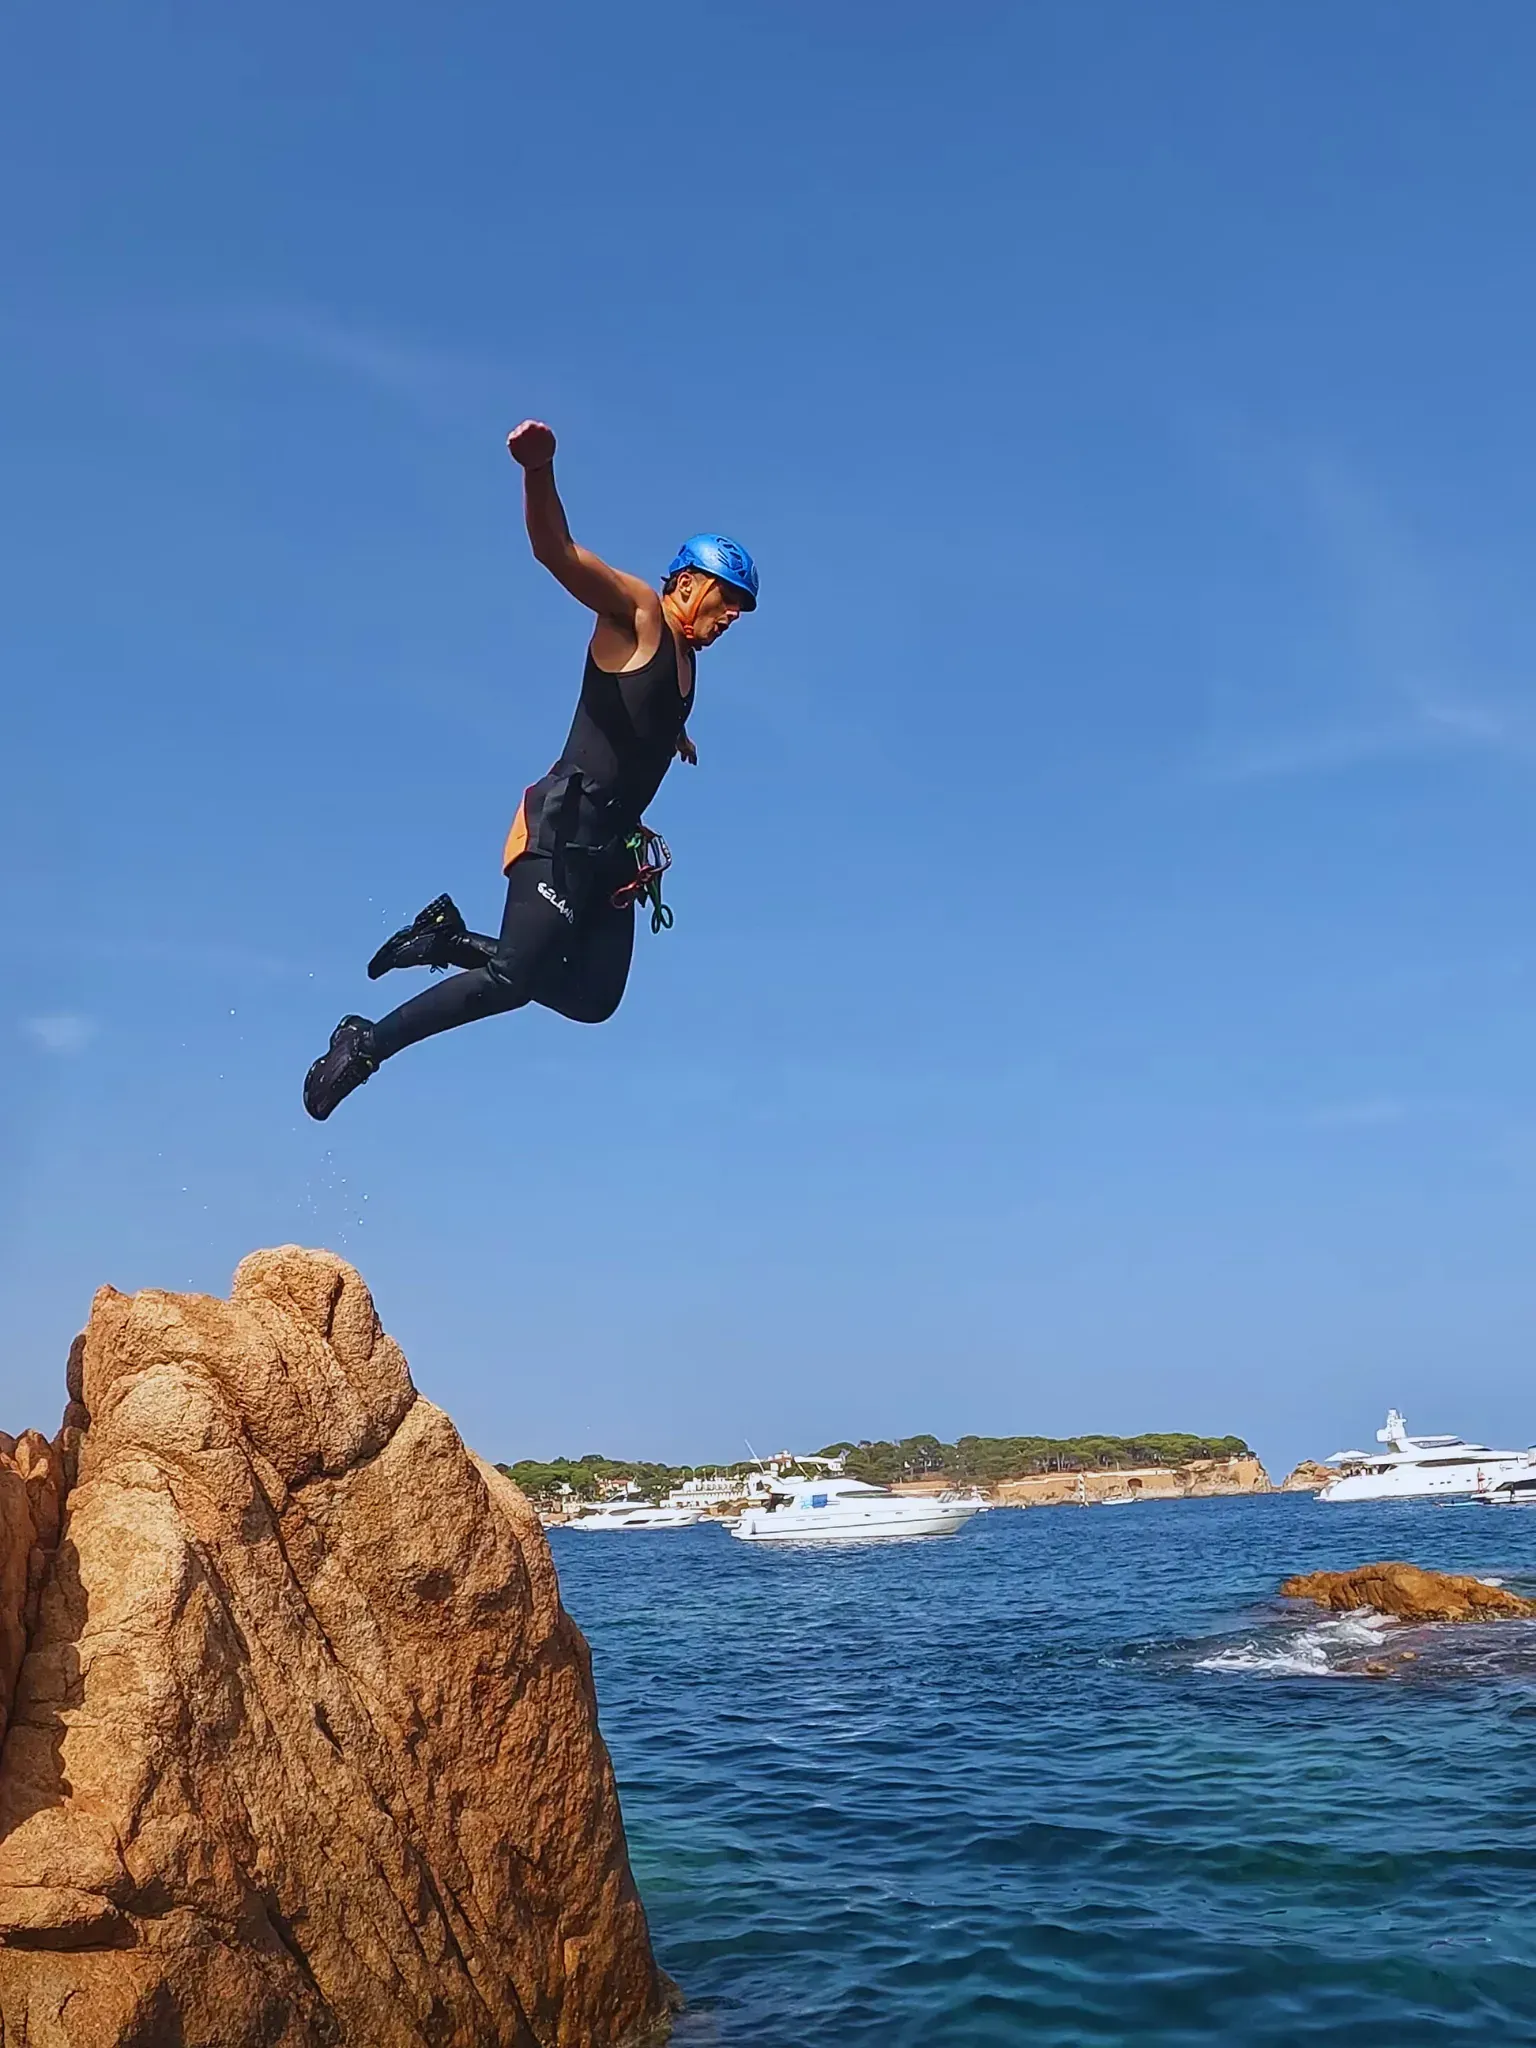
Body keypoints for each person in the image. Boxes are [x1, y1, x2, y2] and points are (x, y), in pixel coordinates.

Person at [302, 420, 757, 1120]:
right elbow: (557, 551)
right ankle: (364, 1042)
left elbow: (644, 711)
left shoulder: (687, 666)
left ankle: (448, 939)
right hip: (563, 828)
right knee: (515, 980)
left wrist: (676, 735)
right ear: (688, 583)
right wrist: (538, 470)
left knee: (595, 998)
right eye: (725, 599)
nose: (730, 617)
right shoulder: (635, 611)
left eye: (740, 611)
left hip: (612, 853)